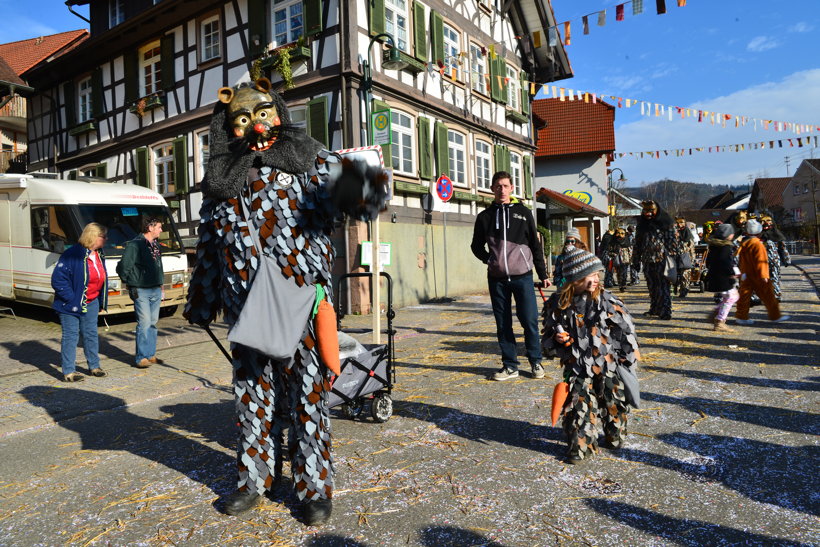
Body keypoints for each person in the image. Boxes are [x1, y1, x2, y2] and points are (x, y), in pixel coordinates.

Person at [184, 78, 387, 524]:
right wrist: (201, 300)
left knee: (307, 397)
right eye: (241, 118)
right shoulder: (222, 182)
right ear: (230, 128)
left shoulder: (304, 162)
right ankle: (253, 481)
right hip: (246, 309)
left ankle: (313, 488)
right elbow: (208, 244)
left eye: (260, 112)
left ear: (275, 113)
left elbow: (368, 198)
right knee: (251, 397)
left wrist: (351, 175)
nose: (253, 123)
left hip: (299, 302)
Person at [541, 248, 640, 464]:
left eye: (597, 275)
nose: (596, 280)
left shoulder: (607, 301)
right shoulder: (557, 305)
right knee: (578, 406)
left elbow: (626, 333)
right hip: (576, 366)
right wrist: (557, 341)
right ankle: (580, 447)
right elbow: (546, 341)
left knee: (614, 403)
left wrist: (627, 360)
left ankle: (615, 436)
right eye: (590, 275)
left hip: (608, 364)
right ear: (574, 279)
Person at [471, 170, 550, 381]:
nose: (502, 190)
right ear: (492, 189)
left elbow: (534, 244)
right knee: (502, 323)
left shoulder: (523, 213)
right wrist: (490, 260)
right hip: (497, 280)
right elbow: (476, 246)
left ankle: (535, 362)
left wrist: (542, 273)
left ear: (512, 189)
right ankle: (510, 366)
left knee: (529, 320)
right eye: (498, 186)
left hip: (522, 276)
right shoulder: (484, 217)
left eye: (505, 186)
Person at [51, 223, 110, 382]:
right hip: (70, 304)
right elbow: (58, 280)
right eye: (103, 237)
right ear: (94, 236)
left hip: (91, 302)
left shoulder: (98, 254)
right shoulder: (72, 254)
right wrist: (72, 299)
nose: (106, 240)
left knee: (90, 334)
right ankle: (69, 371)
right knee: (71, 336)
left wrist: (100, 299)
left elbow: (100, 279)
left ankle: (94, 366)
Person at [117, 216, 165, 369]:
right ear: (150, 227)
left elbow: (159, 267)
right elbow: (124, 266)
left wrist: (161, 285)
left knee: (152, 323)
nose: (161, 230)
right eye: (159, 227)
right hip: (141, 289)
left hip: (155, 288)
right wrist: (130, 281)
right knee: (144, 323)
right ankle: (141, 357)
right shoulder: (135, 245)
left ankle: (150, 354)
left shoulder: (156, 245)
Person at [735, 219, 790, 325]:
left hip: (746, 275)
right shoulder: (758, 244)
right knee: (769, 296)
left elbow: (740, 259)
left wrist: (742, 273)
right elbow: (761, 262)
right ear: (758, 232)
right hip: (757, 275)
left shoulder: (744, 243)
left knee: (744, 297)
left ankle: (741, 316)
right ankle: (775, 316)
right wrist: (764, 275)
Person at [632, 200, 679, 320]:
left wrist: (673, 260)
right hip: (647, 260)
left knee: (663, 286)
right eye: (645, 210)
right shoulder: (642, 224)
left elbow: (672, 243)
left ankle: (666, 310)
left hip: (662, 260)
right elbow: (638, 243)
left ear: (657, 210)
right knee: (652, 286)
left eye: (651, 210)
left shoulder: (667, 222)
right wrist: (636, 260)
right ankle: (655, 308)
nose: (648, 213)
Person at [704, 223, 739, 332]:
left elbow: (708, 262)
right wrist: (731, 273)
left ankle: (716, 314)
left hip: (715, 275)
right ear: (728, 235)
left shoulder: (714, 246)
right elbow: (726, 262)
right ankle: (719, 321)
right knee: (731, 297)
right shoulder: (726, 247)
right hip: (723, 277)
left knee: (729, 296)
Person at [759, 214, 791, 301]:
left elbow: (783, 247)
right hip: (761, 261)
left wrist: (787, 259)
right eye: (763, 222)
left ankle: (776, 295)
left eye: (768, 221)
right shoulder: (759, 235)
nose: (766, 224)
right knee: (761, 278)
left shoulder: (777, 234)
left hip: (774, 260)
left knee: (774, 277)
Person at [674, 216, 696, 298]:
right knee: (677, 274)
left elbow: (687, 245)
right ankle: (678, 289)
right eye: (677, 223)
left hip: (686, 257)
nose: (679, 224)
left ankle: (684, 290)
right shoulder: (678, 232)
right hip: (678, 256)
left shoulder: (687, 232)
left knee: (684, 274)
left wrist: (678, 238)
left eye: (681, 222)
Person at [608, 227, 633, 292]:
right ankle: (621, 285)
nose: (620, 235)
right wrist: (613, 254)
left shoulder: (626, 239)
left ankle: (623, 284)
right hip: (617, 258)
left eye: (622, 233)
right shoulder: (613, 240)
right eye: (618, 233)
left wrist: (631, 257)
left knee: (624, 272)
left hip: (625, 258)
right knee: (619, 272)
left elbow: (629, 248)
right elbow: (610, 249)